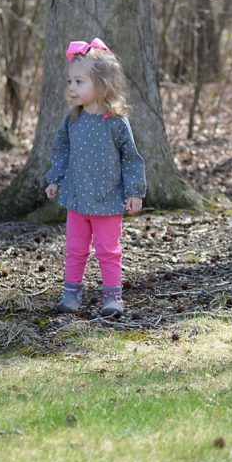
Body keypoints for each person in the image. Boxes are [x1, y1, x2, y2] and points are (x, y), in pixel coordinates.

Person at [46, 38, 146, 317]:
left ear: (101, 85)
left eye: (79, 82)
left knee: (108, 250)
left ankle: (112, 298)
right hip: (77, 198)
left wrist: (134, 192)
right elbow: (61, 151)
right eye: (71, 82)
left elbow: (130, 158)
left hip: (108, 199)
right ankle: (71, 294)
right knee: (75, 249)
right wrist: (55, 179)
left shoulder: (115, 121)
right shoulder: (73, 119)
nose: (72, 88)